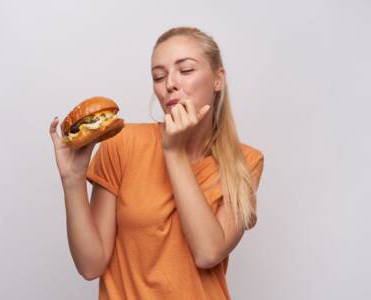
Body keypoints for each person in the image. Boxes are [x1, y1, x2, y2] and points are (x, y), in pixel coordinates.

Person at [49, 26, 264, 300]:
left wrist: (173, 153)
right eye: (159, 76)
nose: (170, 84)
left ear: (218, 79)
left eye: (185, 70)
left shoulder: (245, 162)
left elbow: (208, 252)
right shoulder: (121, 143)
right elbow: (91, 266)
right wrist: (72, 181)